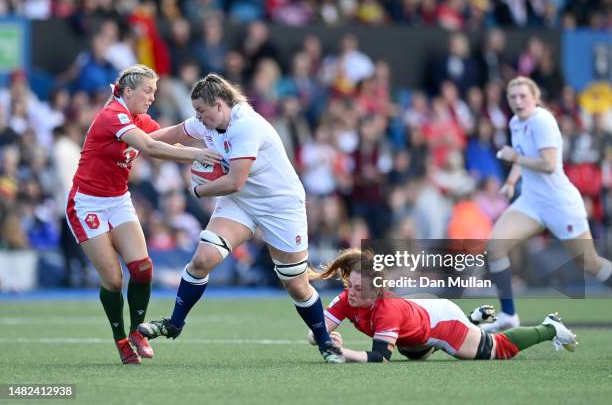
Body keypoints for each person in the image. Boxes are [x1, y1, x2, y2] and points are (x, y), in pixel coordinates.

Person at [137, 73, 345, 363]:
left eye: (202, 111)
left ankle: (325, 341)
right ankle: (174, 323)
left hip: (279, 204)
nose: (198, 117)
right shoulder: (209, 120)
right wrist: (136, 142)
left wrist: (198, 191)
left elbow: (234, 181)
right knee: (202, 259)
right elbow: (175, 134)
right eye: (196, 111)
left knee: (295, 284)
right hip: (242, 201)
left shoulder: (246, 126)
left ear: (220, 105)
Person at [65, 64, 221, 365]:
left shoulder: (137, 119)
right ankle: (121, 341)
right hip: (87, 203)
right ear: (128, 90)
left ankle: (138, 332)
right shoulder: (113, 116)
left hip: (117, 199)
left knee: (143, 268)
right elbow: (151, 147)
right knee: (113, 280)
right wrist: (197, 154)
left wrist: (202, 123)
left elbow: (169, 134)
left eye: (155, 92)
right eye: (148, 91)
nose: (152, 97)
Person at [483, 76, 612, 332]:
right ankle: (508, 315)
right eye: (513, 97)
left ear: (535, 98)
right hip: (531, 201)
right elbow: (524, 158)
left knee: (588, 262)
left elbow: (548, 164)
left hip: (559, 202)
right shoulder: (514, 122)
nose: (518, 101)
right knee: (495, 247)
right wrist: (511, 182)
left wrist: (514, 156)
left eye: (523, 96)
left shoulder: (542, 121)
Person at [308, 249, 577, 363]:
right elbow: (313, 335)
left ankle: (549, 327)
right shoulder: (346, 299)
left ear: (376, 292)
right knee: (411, 352)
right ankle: (473, 321)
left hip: (441, 323)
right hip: (413, 332)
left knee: (497, 349)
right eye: (349, 285)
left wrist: (343, 351)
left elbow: (381, 358)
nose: (351, 293)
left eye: (358, 289)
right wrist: (324, 337)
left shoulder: (386, 309)